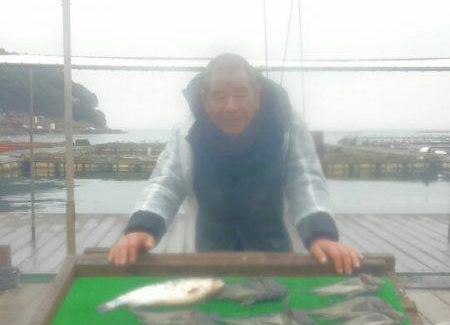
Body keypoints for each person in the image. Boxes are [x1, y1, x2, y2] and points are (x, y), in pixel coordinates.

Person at [109, 53, 361, 273]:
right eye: (219, 96)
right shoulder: (187, 132)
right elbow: (166, 184)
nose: (231, 106)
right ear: (205, 99)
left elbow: (305, 181)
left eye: (241, 94)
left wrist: (321, 234)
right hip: (209, 256)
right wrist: (141, 228)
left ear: (257, 95)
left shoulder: (288, 127)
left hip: (281, 257)